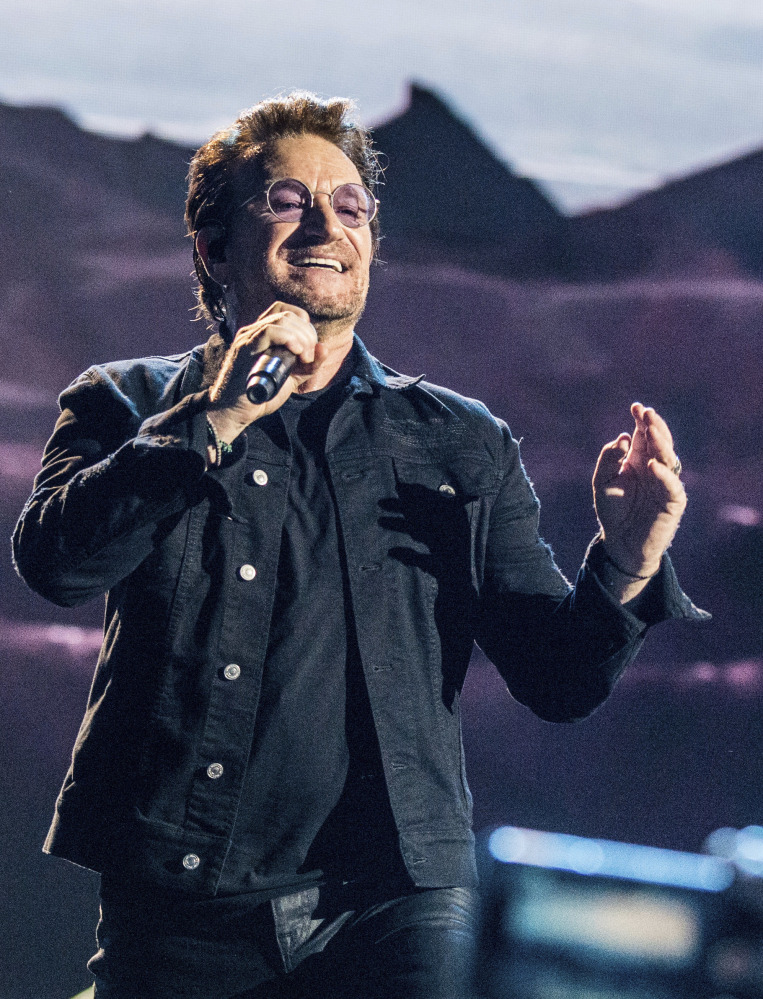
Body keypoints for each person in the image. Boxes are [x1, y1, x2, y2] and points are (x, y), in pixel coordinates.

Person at [12, 92, 706, 999]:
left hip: (391, 897)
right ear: (214, 247)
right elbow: (57, 562)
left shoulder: (460, 439)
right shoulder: (125, 402)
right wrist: (211, 418)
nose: (324, 226)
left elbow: (558, 678)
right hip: (180, 898)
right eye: (286, 200)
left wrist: (626, 560)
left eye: (349, 207)